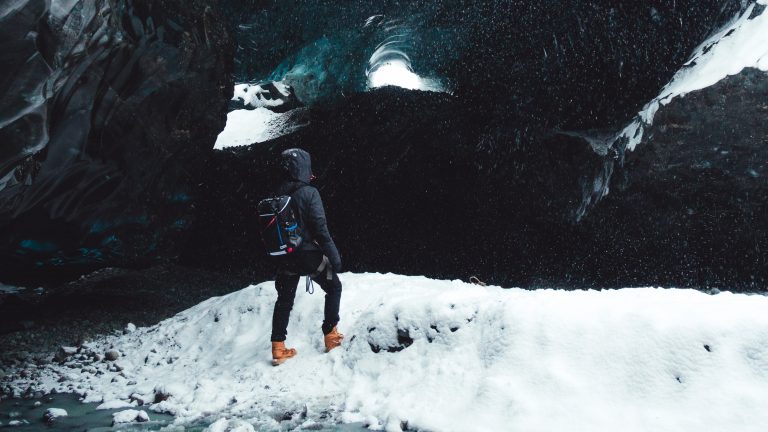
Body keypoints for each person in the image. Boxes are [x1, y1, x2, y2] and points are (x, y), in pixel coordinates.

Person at [270, 148, 344, 366]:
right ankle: (331, 335)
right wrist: (334, 257)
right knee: (334, 287)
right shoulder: (309, 193)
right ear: (304, 168)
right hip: (308, 256)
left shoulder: (277, 193)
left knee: (284, 300)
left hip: (285, 256)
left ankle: (278, 348)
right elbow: (320, 228)